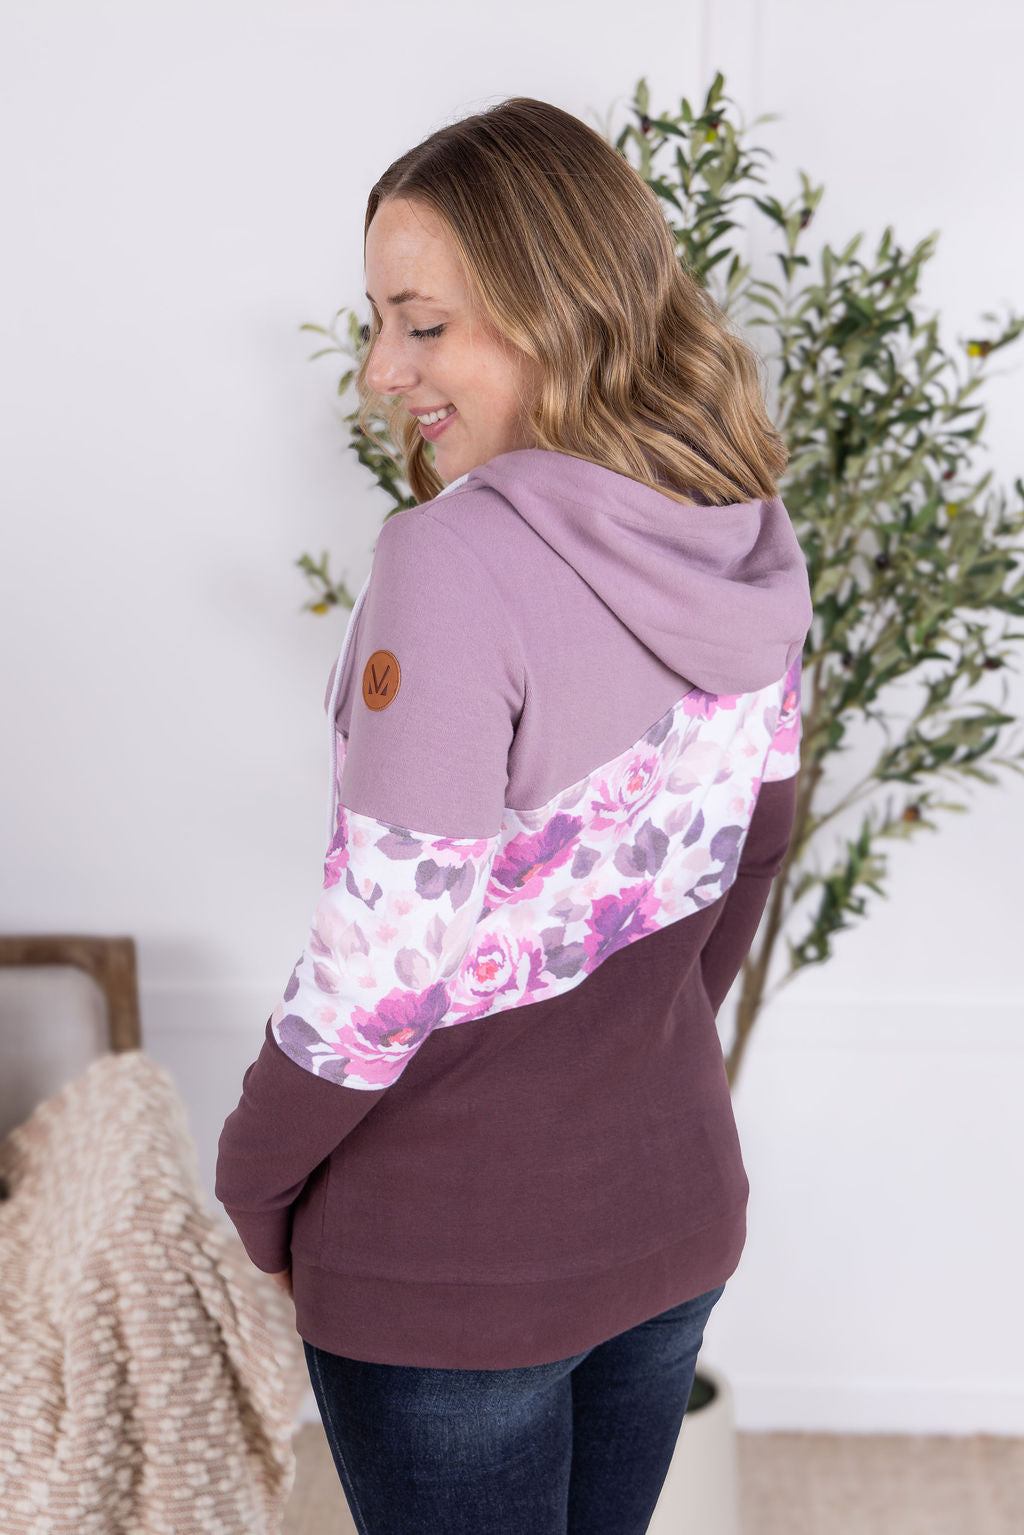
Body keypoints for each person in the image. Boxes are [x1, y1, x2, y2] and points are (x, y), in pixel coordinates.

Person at [216, 95, 812, 1535]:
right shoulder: (741, 527)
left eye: (422, 324)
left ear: (557, 312)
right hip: (672, 1209)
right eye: (379, 323)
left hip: (451, 1258)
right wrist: (629, 1057)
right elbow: (758, 853)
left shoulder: (452, 562)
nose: (381, 372)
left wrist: (253, 1181)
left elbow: (378, 976)